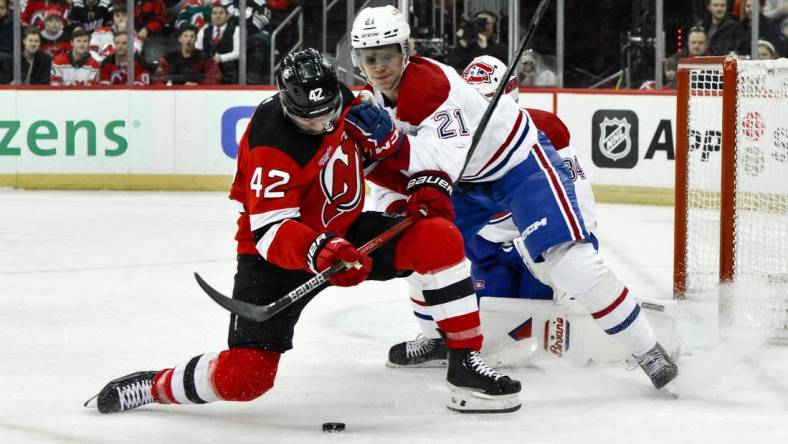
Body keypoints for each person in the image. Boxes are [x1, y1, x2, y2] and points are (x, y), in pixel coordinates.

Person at [87, 48, 521, 416]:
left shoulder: (347, 106)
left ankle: (464, 360)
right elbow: (271, 231)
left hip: (346, 232)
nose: (322, 125)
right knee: (247, 379)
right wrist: (322, 251)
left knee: (438, 237)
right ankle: (153, 386)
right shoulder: (271, 141)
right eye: (308, 119)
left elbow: (373, 162)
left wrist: (424, 183)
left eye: (327, 113)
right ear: (286, 102)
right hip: (280, 255)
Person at [349, 5, 678, 390]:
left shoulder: (429, 87)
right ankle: (438, 338)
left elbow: (442, 166)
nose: (378, 66)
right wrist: (393, 209)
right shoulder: (371, 103)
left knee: (571, 263)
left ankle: (647, 351)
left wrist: (399, 155)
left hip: (518, 166)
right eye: (368, 58)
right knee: (425, 249)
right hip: (468, 183)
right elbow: (394, 172)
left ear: (406, 50)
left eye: (386, 55)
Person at [154, 24, 221, 84]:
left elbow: (215, 77)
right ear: (180, 39)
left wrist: (198, 85)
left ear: (196, 39)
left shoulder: (205, 58)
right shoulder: (168, 58)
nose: (188, 39)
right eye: (185, 36)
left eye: (192, 36)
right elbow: (158, 79)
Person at [196, 2, 239, 83]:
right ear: (211, 16)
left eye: (221, 13)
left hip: (228, 71)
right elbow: (197, 51)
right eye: (214, 13)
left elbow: (238, 53)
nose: (218, 16)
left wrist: (221, 58)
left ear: (227, 16)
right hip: (207, 70)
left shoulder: (236, 30)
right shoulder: (203, 30)